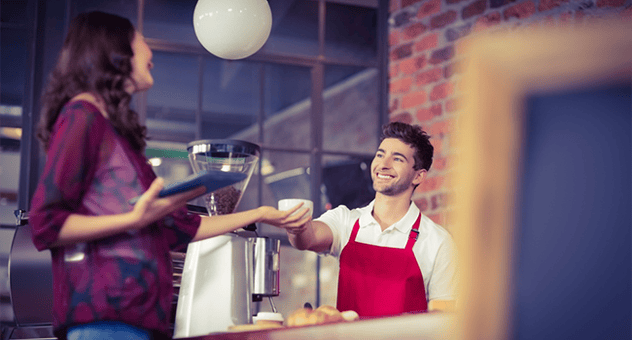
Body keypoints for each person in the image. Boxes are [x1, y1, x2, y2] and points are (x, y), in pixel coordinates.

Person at [29, 11, 308, 340]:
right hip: (104, 317)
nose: (150, 54)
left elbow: (178, 229)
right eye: (141, 40)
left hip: (140, 318)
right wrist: (131, 220)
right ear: (115, 51)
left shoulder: (113, 132)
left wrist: (262, 214)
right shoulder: (82, 116)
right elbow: (45, 223)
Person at [281, 122, 457, 317]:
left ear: (418, 176)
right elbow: (308, 238)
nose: (383, 164)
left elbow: (443, 321)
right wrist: (296, 227)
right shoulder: (346, 221)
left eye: (397, 159)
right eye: (380, 155)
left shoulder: (438, 242)